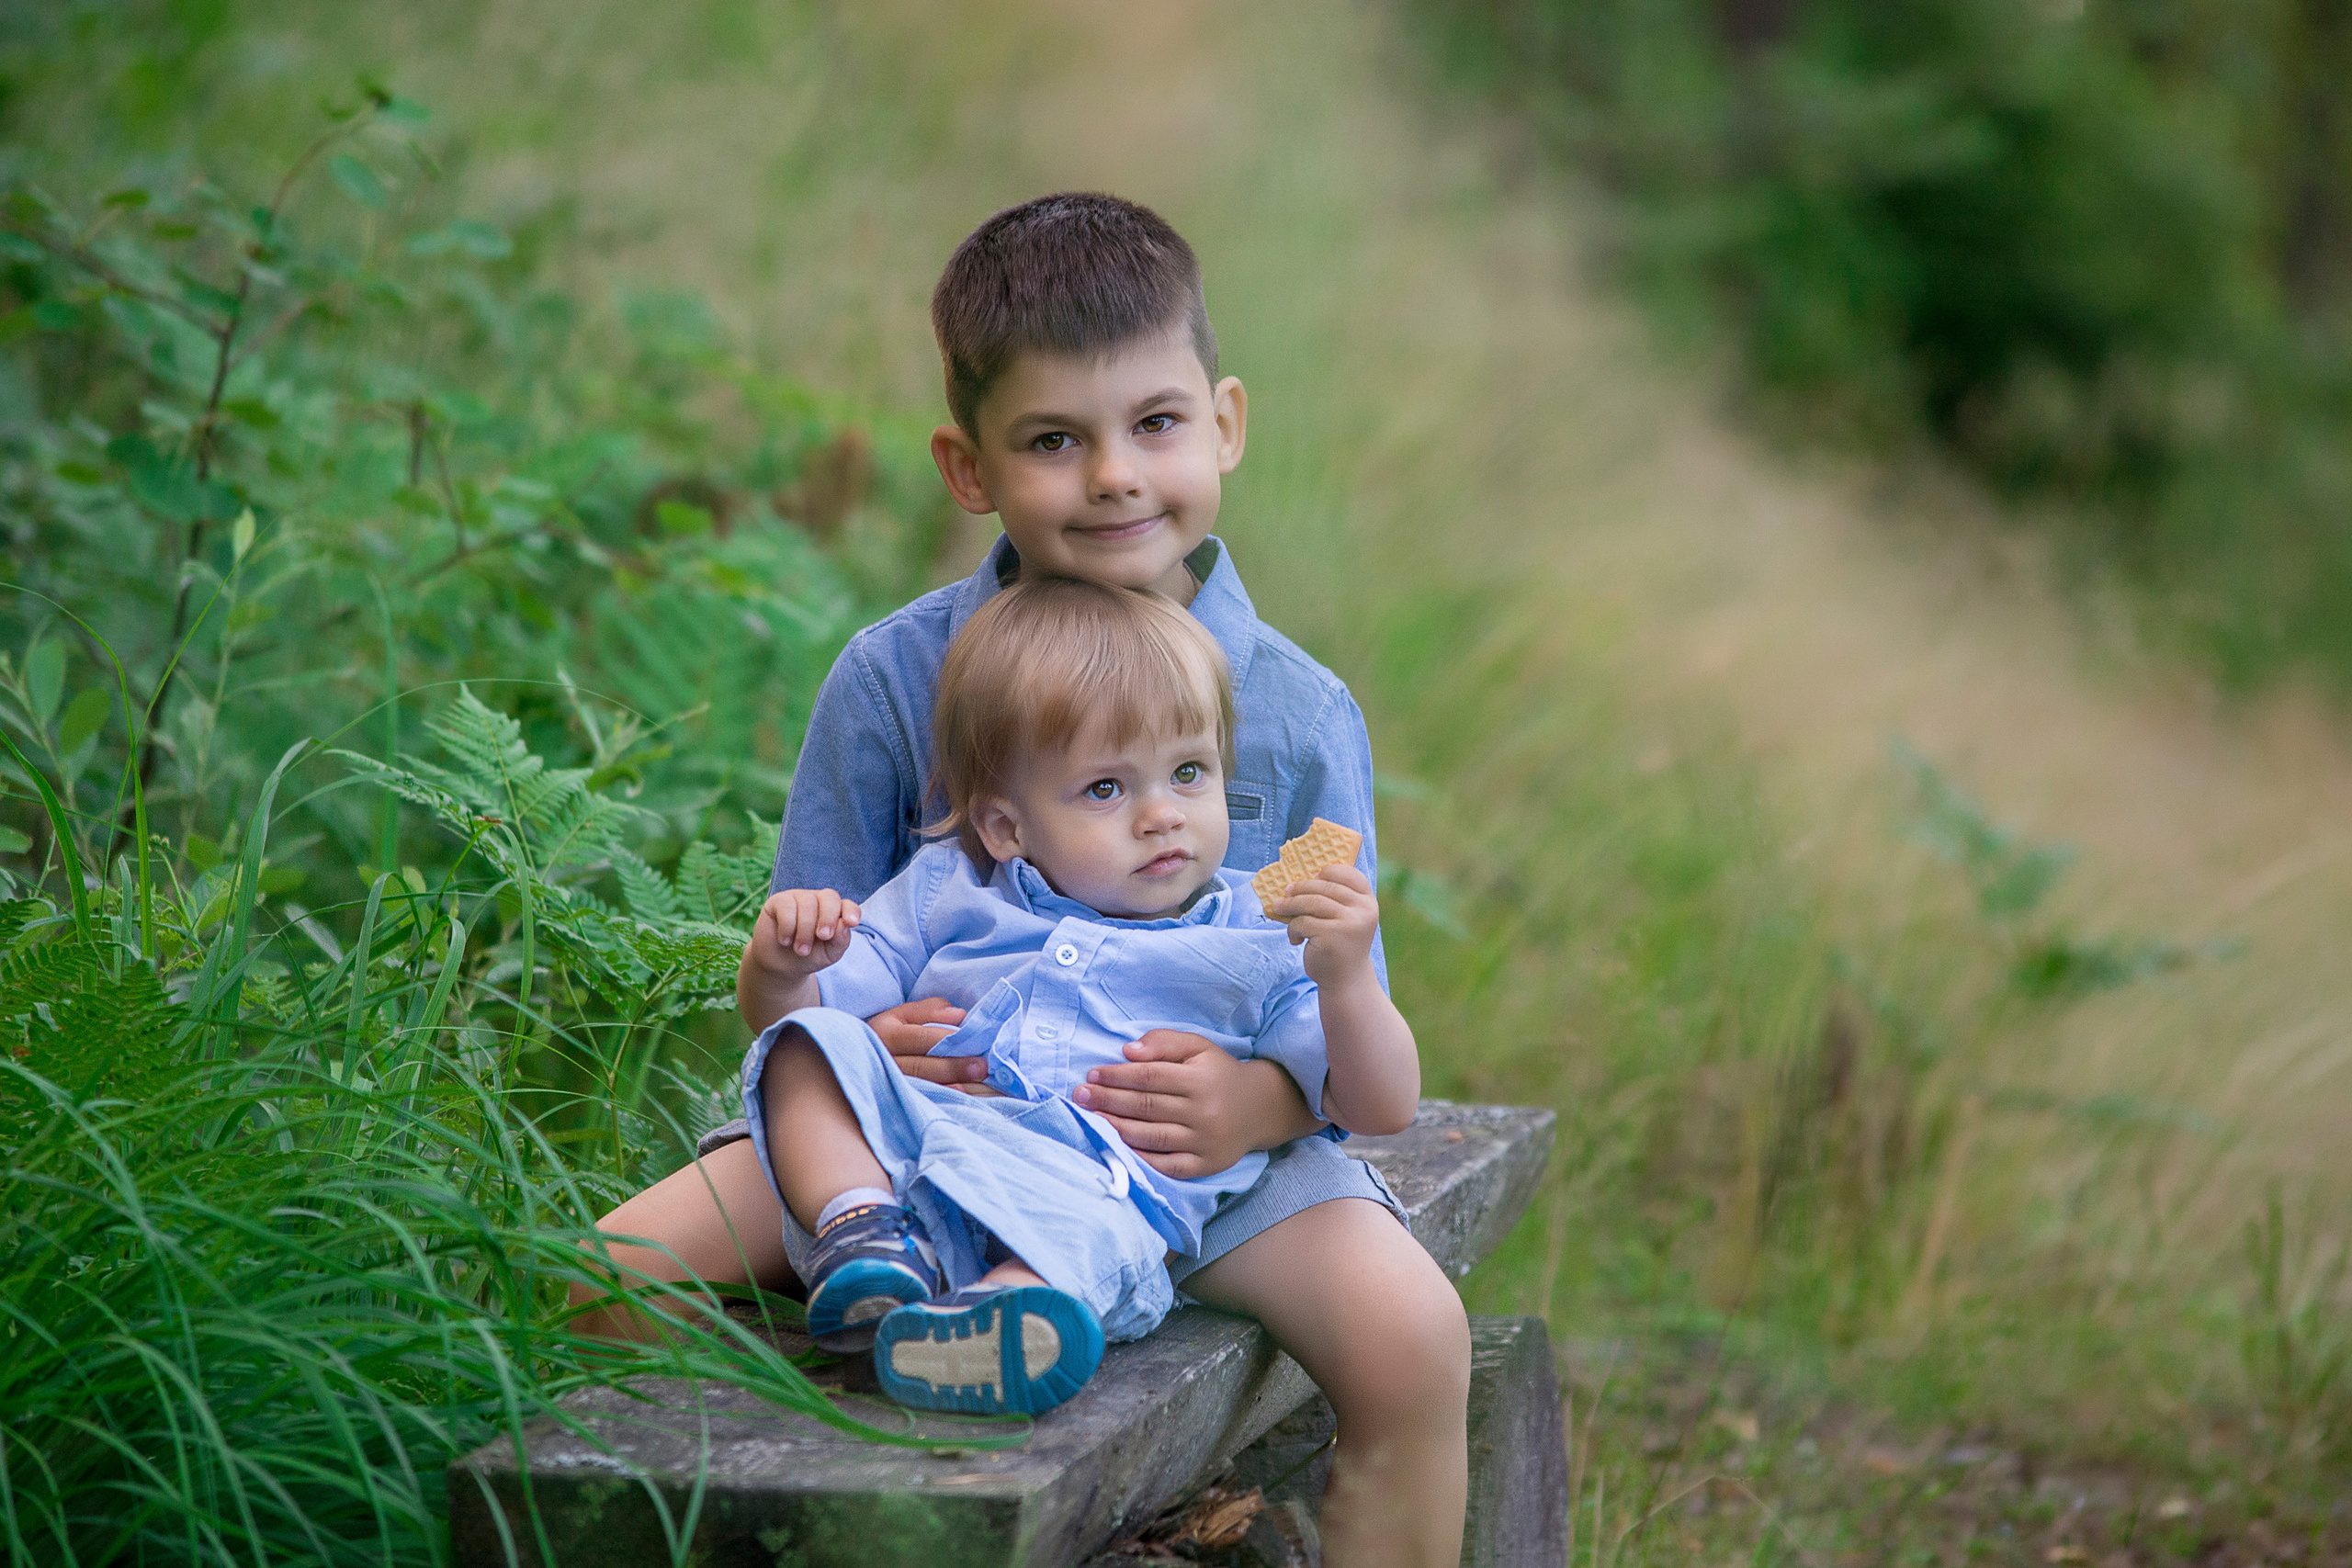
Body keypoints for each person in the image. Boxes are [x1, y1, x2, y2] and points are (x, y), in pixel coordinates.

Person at [578, 192, 1471, 1566]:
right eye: (1056, 439)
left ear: (1225, 422)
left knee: (1416, 1340)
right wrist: (864, 1038)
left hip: (1197, 1147)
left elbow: (1347, 1021)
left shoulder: (1294, 712)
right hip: (924, 1123)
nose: (1115, 475)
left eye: (1156, 424)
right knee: (600, 1279)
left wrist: (1253, 1101)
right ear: (969, 464)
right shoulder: (893, 679)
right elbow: (801, 973)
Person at [739, 577, 1420, 1420]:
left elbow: (1383, 1103)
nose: (1161, 815)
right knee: (807, 1048)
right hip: (920, 1157)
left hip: (1102, 1176)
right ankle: (861, 1231)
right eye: (1106, 788)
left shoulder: (1263, 929)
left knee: (1089, 1235)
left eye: (1188, 771)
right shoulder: (950, 889)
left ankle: (993, 1327)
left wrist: (1348, 977)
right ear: (1006, 828)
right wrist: (781, 966)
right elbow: (806, 1014)